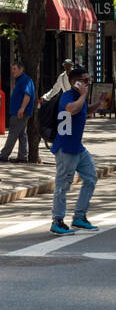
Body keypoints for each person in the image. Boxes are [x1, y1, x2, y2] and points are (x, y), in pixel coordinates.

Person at [49, 67, 98, 235]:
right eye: (85, 80)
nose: (88, 83)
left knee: (91, 177)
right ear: (75, 82)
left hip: (77, 147)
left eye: (88, 79)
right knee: (63, 185)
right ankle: (57, 221)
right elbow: (72, 109)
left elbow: (83, 109)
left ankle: (79, 217)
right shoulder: (68, 96)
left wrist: (98, 104)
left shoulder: (79, 97)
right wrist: (84, 95)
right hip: (66, 148)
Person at [0, 61, 35, 164]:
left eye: (15, 69)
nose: (12, 71)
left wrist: (22, 108)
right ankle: (23, 156)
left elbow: (27, 95)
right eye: (12, 69)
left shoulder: (24, 80)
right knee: (22, 134)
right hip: (20, 111)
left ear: (21, 69)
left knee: (13, 133)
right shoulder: (21, 80)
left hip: (20, 112)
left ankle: (4, 155)